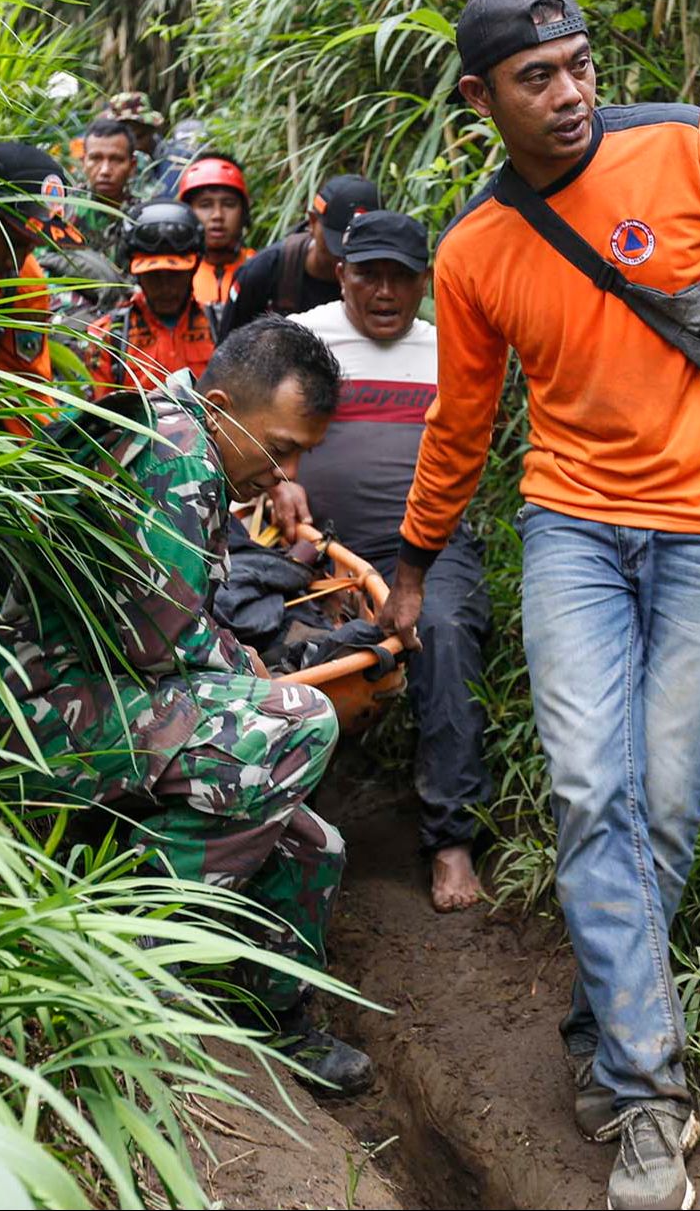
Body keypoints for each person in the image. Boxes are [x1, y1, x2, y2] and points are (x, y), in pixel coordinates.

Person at [381, 0, 700, 1210]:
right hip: (574, 531)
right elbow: (461, 424)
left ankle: (597, 1024)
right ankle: (647, 1094)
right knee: (595, 788)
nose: (572, 92)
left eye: (580, 64)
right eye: (538, 77)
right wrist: (416, 562)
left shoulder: (688, 144)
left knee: (666, 806)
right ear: (482, 97)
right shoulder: (477, 249)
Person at [0, 315, 372, 1092]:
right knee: (304, 722)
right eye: (281, 445)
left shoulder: (179, 433)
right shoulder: (176, 451)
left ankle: (279, 1021)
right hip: (34, 720)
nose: (287, 471)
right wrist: (256, 677)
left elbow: (173, 634)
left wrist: (240, 668)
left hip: (99, 704)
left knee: (314, 842)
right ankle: (126, 949)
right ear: (224, 404)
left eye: (301, 451)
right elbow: (160, 646)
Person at [272, 210, 491, 912]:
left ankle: (451, 839)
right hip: (318, 549)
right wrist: (280, 476)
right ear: (343, 274)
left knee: (450, 633)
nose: (387, 291)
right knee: (252, 636)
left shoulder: (448, 345)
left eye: (403, 277)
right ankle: (273, 828)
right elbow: (236, 415)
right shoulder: (302, 338)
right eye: (371, 275)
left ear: (425, 281)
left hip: (427, 549)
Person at [0, 141, 83, 432]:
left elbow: (24, 389)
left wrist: (46, 463)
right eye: (15, 241)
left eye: (32, 246)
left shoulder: (24, 282)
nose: (21, 259)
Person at [83, 199, 217, 399]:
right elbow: (99, 417)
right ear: (136, 274)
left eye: (175, 275)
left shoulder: (220, 325)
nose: (165, 287)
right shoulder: (108, 335)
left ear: (193, 270)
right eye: (153, 276)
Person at [220, 173, 381, 337]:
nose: (346, 258)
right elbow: (226, 350)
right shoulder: (264, 271)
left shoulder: (387, 280)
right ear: (312, 222)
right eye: (339, 245)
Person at [178, 156, 255, 325]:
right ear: (187, 213)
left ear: (243, 212)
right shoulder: (176, 276)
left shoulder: (259, 268)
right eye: (205, 205)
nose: (217, 216)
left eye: (228, 204)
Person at [74, 118, 137, 255]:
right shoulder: (66, 209)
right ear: (83, 162)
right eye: (96, 158)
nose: (105, 170)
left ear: (132, 166)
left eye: (116, 159)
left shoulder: (142, 214)